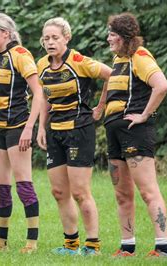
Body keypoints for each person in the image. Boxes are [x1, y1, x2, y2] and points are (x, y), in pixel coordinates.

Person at [36, 17, 112, 256]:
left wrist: (100, 107)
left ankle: (93, 246)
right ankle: (71, 245)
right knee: (59, 192)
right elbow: (45, 98)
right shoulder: (41, 65)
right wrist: (40, 127)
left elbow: (112, 75)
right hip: (54, 131)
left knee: (80, 192)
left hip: (79, 130)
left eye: (55, 38)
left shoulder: (78, 61)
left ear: (67, 38)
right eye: (46, 38)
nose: (50, 42)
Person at [103, 12, 167, 257]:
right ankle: (127, 246)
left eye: (112, 34)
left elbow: (161, 85)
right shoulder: (118, 60)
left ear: (123, 36)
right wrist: (101, 108)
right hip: (115, 132)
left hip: (136, 133)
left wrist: (143, 115)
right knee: (122, 193)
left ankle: (163, 247)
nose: (108, 38)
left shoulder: (139, 56)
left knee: (147, 190)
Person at [0, 13, 44, 253]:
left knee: (23, 184)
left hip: (18, 126)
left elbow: (38, 93)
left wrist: (29, 127)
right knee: (1, 187)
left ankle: (31, 243)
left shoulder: (21, 55)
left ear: (6, 33)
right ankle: (1, 243)